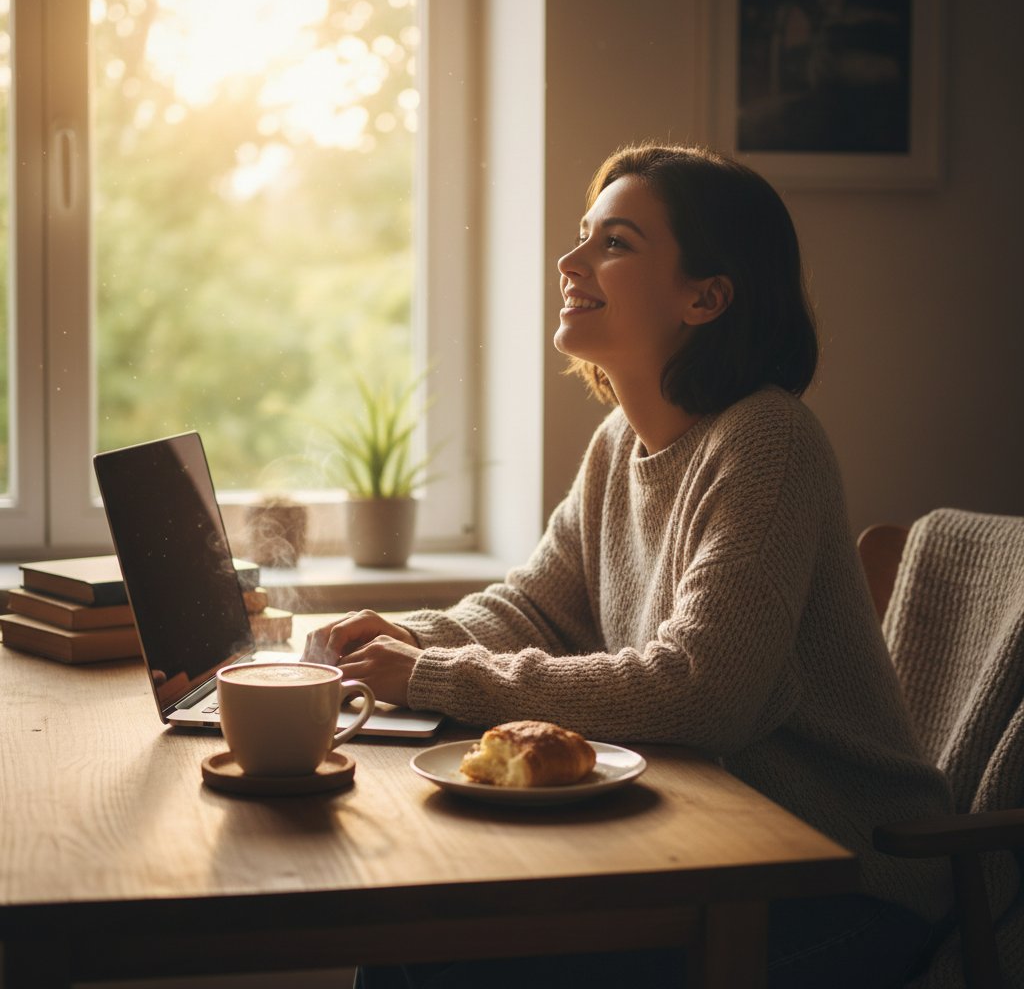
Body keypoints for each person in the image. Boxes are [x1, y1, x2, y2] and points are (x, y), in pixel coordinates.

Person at [304, 143, 954, 988]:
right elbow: (537, 609)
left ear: (705, 297)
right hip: (710, 850)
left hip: (847, 884)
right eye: (585, 235)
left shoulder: (769, 441)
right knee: (412, 940)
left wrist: (429, 675)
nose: (571, 261)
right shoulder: (620, 444)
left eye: (614, 242)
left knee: (441, 964)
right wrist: (401, 638)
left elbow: (701, 692)